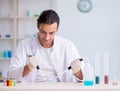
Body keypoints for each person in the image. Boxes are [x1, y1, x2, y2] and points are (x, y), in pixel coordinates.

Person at [7, 9, 92, 82]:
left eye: (51, 33)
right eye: (43, 32)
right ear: (37, 26)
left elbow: (86, 78)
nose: (47, 38)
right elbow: (10, 75)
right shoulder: (25, 45)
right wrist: (28, 67)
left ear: (57, 29)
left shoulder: (67, 46)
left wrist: (77, 71)